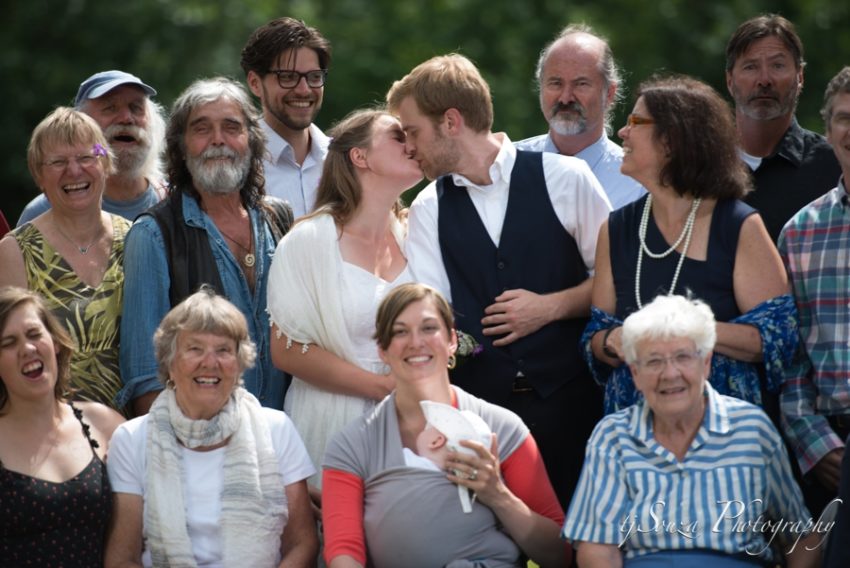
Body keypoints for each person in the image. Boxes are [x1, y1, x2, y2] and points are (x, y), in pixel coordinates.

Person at [392, 53, 611, 509]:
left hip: (577, 407)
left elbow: (617, 283)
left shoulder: (566, 178)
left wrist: (551, 306)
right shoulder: (430, 206)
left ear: (451, 121)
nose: (408, 146)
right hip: (481, 423)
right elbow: (434, 313)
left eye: (413, 131)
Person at [585, 75, 796, 415]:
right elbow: (595, 333)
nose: (622, 132)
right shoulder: (616, 228)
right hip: (634, 433)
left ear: (672, 139)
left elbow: (776, 337)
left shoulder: (737, 224)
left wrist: (683, 331)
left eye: (635, 122)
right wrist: (612, 341)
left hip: (725, 434)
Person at [565, 294, 821, 567]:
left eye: (683, 357)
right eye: (653, 361)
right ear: (635, 373)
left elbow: (798, 537)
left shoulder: (751, 429)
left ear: (706, 362)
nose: (670, 373)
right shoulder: (613, 436)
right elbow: (598, 548)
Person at [322, 283, 567, 568]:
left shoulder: (503, 427)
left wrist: (497, 494)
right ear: (383, 350)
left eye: (429, 328)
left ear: (451, 341)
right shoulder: (351, 445)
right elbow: (343, 552)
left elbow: (558, 555)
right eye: (400, 332)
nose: (416, 342)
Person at [119, 77, 293, 417]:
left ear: (251, 140)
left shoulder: (279, 219)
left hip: (287, 444)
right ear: (182, 148)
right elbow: (144, 380)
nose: (218, 140)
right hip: (202, 444)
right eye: (202, 129)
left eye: (232, 127)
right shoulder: (153, 235)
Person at [105, 289, 317, 567]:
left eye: (224, 350)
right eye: (194, 349)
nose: (210, 362)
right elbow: (122, 558)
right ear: (169, 362)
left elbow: (302, 542)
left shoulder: (276, 429)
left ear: (240, 364)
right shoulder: (132, 439)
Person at [268, 108, 420, 487]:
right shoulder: (308, 241)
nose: (412, 143)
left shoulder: (417, 236)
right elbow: (285, 350)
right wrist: (382, 387)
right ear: (360, 156)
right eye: (398, 136)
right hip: (330, 421)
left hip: (411, 425)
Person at [0, 107, 131, 410]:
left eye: (86, 157)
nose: (74, 171)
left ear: (106, 163)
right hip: (51, 429)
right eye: (58, 162)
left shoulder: (136, 238)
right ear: (38, 175)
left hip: (132, 428)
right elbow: (8, 353)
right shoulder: (14, 251)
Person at [0, 287, 124, 567]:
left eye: (34, 334)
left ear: (55, 343)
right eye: (8, 343)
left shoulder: (105, 424)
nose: (27, 348)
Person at [778, 66, 850, 517]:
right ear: (827, 132)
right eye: (844, 118)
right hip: (832, 455)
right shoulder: (800, 233)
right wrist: (817, 446)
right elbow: (791, 358)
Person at [726, 14, 841, 243]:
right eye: (750, 67)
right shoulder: (700, 167)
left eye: (778, 65)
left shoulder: (836, 167)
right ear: (730, 81)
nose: (764, 79)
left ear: (800, 77)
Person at [516, 23, 645, 210]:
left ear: (609, 93)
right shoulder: (507, 168)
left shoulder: (637, 185)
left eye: (581, 84)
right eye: (555, 83)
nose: (566, 97)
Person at [17, 70, 166, 225]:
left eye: (136, 108)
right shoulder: (41, 213)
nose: (126, 118)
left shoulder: (177, 203)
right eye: (110, 107)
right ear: (81, 125)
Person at [242, 17, 331, 217]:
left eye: (314, 77)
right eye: (287, 77)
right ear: (255, 83)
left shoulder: (345, 162)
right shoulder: (238, 166)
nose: (304, 89)